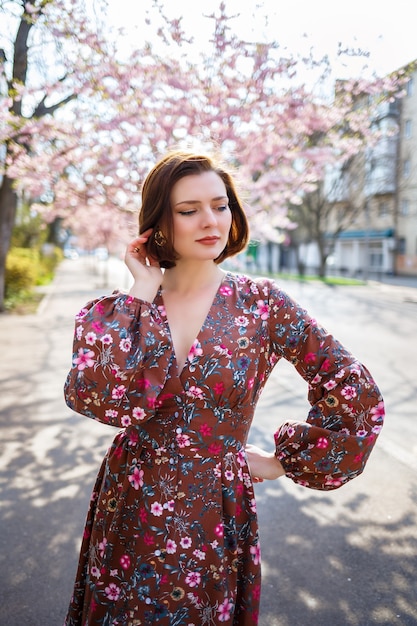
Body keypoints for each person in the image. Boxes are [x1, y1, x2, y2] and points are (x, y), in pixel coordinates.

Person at [63, 150, 384, 626]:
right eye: (188, 210)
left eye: (220, 205)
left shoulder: (262, 304)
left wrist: (281, 463)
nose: (210, 221)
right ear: (159, 223)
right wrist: (141, 290)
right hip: (131, 492)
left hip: (214, 503)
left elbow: (350, 385)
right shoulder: (129, 308)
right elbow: (97, 395)